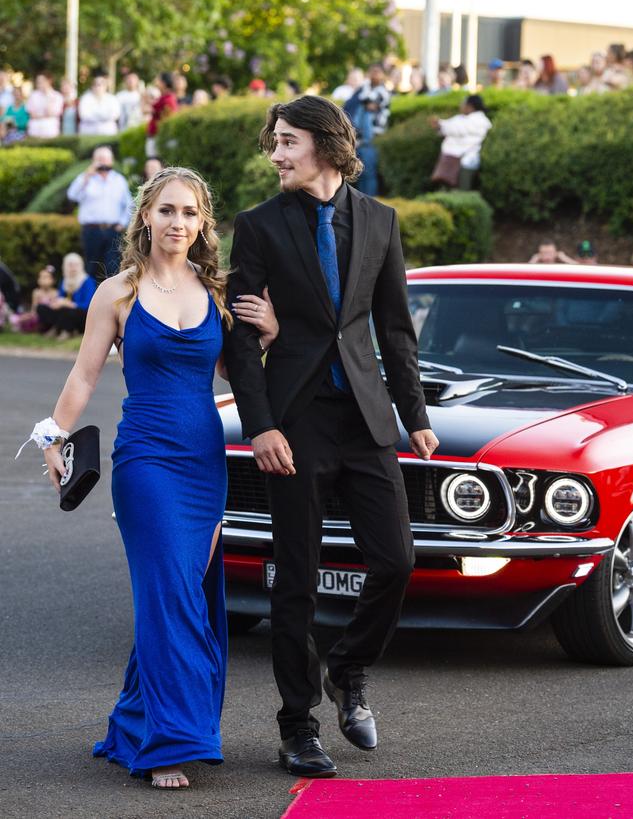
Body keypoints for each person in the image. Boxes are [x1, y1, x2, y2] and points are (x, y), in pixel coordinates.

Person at [33, 166, 278, 788]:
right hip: (143, 462)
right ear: (147, 215)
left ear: (203, 225)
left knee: (184, 595)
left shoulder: (216, 293)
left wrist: (269, 337)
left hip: (203, 463)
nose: (178, 223)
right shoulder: (115, 292)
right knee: (168, 591)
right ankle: (170, 744)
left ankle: (136, 722)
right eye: (168, 211)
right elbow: (85, 375)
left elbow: (232, 371)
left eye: (191, 214)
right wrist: (51, 435)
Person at [223, 95, 438, 779]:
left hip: (367, 421)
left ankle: (347, 667)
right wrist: (260, 424)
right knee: (297, 580)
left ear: (325, 144)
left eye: (287, 142)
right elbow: (240, 336)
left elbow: (395, 327)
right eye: (274, 143)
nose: (276, 154)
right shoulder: (257, 226)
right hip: (295, 421)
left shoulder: (380, 221)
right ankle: (297, 726)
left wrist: (417, 413)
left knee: (397, 560)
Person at [67, 146, 133, 279]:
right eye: (100, 159)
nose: (103, 162)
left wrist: (122, 223)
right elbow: (72, 195)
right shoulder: (85, 179)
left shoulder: (119, 180)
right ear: (93, 160)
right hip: (91, 231)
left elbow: (129, 204)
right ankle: (90, 298)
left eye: (105, 159)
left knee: (112, 269)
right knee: (91, 268)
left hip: (112, 230)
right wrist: (86, 176)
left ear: (111, 161)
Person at [346, 63, 391, 196]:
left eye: (378, 72)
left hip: (372, 139)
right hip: (359, 139)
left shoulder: (383, 91)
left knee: (369, 173)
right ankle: (360, 204)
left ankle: (370, 202)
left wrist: (362, 98)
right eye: (372, 72)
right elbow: (355, 103)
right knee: (358, 173)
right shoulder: (364, 88)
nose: (375, 75)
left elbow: (370, 103)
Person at [430, 94, 492, 190]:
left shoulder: (480, 121)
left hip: (466, 162)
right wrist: (440, 124)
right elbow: (449, 125)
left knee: (462, 191)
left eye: (463, 103)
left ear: (470, 106)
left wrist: (440, 125)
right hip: (452, 161)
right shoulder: (462, 118)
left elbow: (457, 128)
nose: (461, 106)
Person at [36, 253, 96, 339]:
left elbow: (89, 304)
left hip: (81, 312)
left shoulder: (87, 281)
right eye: (70, 265)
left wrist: (70, 304)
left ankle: (67, 330)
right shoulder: (64, 281)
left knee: (67, 311)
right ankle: (56, 328)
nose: (73, 268)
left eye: (76, 265)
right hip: (64, 309)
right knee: (41, 307)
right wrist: (56, 303)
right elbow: (60, 297)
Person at [10, 265, 58, 333]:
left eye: (46, 277)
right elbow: (34, 307)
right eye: (41, 277)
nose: (43, 280)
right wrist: (29, 315)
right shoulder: (36, 292)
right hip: (37, 316)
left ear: (53, 280)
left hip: (48, 318)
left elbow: (53, 308)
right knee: (23, 318)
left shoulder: (55, 293)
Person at [77, 71, 120, 136]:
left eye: (101, 84)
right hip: (88, 133)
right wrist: (103, 116)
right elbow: (84, 115)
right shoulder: (85, 98)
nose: (98, 87)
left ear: (105, 86)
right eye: (96, 84)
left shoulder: (112, 99)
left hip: (108, 132)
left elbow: (115, 114)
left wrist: (96, 115)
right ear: (92, 86)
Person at [146, 72, 177, 157]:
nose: (156, 82)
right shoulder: (163, 98)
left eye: (158, 80)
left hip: (160, 138)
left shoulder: (169, 99)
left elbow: (167, 120)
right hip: (156, 136)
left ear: (164, 83)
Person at [26, 73, 63, 138]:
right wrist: (44, 115)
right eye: (38, 81)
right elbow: (32, 114)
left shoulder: (57, 96)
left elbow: (51, 113)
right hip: (34, 130)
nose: (39, 83)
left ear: (49, 81)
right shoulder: (33, 95)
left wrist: (48, 96)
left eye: (42, 81)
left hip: (50, 131)